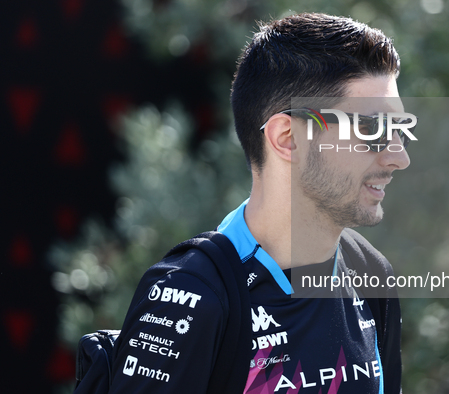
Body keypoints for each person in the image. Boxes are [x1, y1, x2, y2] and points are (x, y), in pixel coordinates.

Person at [109, 12, 412, 394]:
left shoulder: (372, 274)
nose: (399, 157)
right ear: (288, 137)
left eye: (400, 129)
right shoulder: (190, 297)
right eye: (372, 128)